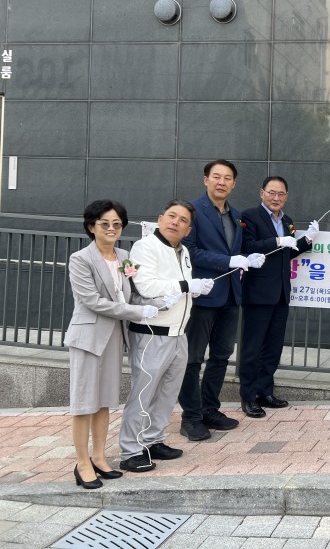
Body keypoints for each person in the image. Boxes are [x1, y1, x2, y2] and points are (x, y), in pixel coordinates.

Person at [65, 200, 160, 489]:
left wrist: (159, 302)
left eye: (117, 224)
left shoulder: (125, 256)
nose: (111, 228)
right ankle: (82, 463)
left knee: (105, 400)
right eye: (104, 224)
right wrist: (137, 311)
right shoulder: (80, 259)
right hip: (88, 338)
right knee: (84, 403)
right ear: (91, 227)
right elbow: (93, 301)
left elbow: (131, 294)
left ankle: (99, 456)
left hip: (115, 337)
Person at [118, 200, 214, 472]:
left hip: (178, 333)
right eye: (172, 216)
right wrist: (186, 285)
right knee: (143, 394)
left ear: (188, 229)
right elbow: (146, 286)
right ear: (160, 219)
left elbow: (178, 289)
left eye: (183, 220)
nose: (176, 222)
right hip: (152, 333)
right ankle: (130, 450)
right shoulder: (146, 246)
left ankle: (153, 440)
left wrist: (194, 290)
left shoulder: (183, 251)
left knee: (167, 394)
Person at [178, 160, 265, 441]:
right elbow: (189, 250)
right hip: (203, 294)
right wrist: (228, 261)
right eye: (216, 176)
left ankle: (210, 409)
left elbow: (235, 251)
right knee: (193, 358)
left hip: (230, 295)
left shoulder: (235, 215)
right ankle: (190, 417)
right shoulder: (192, 212)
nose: (222, 182)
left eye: (228, 178)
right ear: (205, 179)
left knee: (221, 356)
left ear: (234, 184)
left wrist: (249, 257)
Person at [239, 176, 318, 418]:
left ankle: (265, 392)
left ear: (286, 196)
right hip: (258, 293)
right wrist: (277, 240)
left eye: (281, 194)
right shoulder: (249, 216)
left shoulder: (288, 221)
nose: (276, 198)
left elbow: (286, 253)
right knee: (252, 348)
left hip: (282, 293)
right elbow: (247, 247)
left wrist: (307, 240)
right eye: (271, 192)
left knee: (272, 348)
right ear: (261, 193)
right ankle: (248, 397)